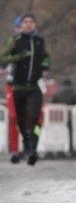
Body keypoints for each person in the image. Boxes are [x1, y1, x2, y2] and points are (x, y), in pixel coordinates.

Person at [0, 12, 50, 166]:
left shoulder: (39, 42)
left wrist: (44, 66)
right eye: (22, 24)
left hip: (35, 86)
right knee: (16, 118)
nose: (26, 26)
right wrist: (15, 60)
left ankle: (31, 148)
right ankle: (19, 148)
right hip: (15, 86)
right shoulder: (14, 42)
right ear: (18, 27)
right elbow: (2, 60)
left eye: (31, 22)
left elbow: (46, 57)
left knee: (35, 117)